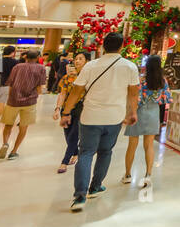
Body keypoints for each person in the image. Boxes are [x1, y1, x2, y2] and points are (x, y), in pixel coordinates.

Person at [58, 33, 139, 213]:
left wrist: (66, 112)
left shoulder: (91, 66)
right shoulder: (130, 67)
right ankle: (95, 187)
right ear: (122, 46)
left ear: (103, 46)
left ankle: (79, 195)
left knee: (85, 153)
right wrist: (133, 112)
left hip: (90, 117)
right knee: (105, 152)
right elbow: (133, 93)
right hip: (114, 117)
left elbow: (77, 91)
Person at [123, 57, 170, 189]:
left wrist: (129, 114)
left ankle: (127, 175)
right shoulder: (163, 81)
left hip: (138, 113)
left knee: (132, 145)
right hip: (154, 113)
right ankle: (148, 175)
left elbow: (135, 99)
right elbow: (166, 98)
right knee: (149, 145)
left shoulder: (141, 80)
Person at [0, 50, 46, 159]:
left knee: (8, 124)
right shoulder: (41, 68)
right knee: (23, 127)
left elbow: (10, 83)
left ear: (25, 57)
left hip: (13, 100)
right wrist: (37, 94)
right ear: (38, 57)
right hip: (30, 101)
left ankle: (5, 143)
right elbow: (40, 87)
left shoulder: (17, 67)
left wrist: (11, 97)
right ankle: (14, 151)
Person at [53, 53, 88, 174]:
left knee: (74, 135)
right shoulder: (68, 77)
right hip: (66, 109)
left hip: (81, 109)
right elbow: (62, 94)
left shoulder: (88, 77)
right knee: (67, 135)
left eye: (80, 59)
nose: (77, 61)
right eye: (76, 59)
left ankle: (64, 161)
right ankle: (75, 153)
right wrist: (57, 108)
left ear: (87, 61)